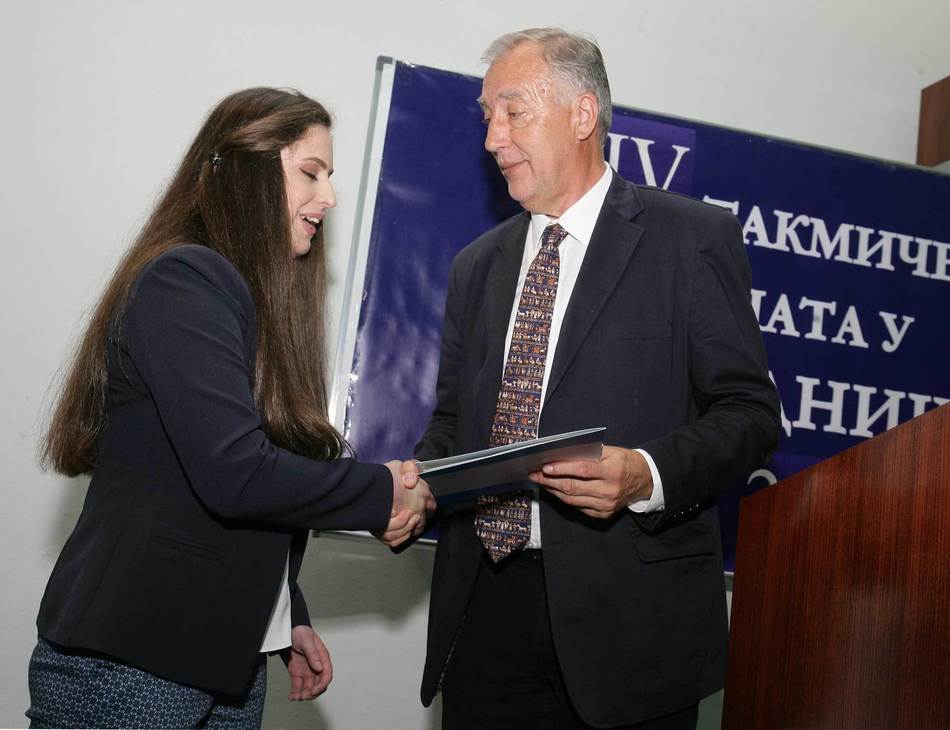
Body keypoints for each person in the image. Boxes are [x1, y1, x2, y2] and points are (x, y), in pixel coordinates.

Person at [28, 87, 434, 729]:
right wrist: (381, 493)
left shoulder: (239, 295)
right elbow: (236, 472)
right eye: (311, 173)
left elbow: (219, 495)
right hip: (132, 661)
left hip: (226, 661)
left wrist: (284, 613)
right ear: (247, 172)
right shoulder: (185, 279)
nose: (329, 197)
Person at [413, 29, 781, 729]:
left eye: (512, 112)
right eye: (487, 116)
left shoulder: (690, 240)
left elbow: (751, 414)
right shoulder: (476, 267)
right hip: (487, 614)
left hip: (633, 629)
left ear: (583, 114)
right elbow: (455, 422)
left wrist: (646, 474)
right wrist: (417, 486)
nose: (492, 139)